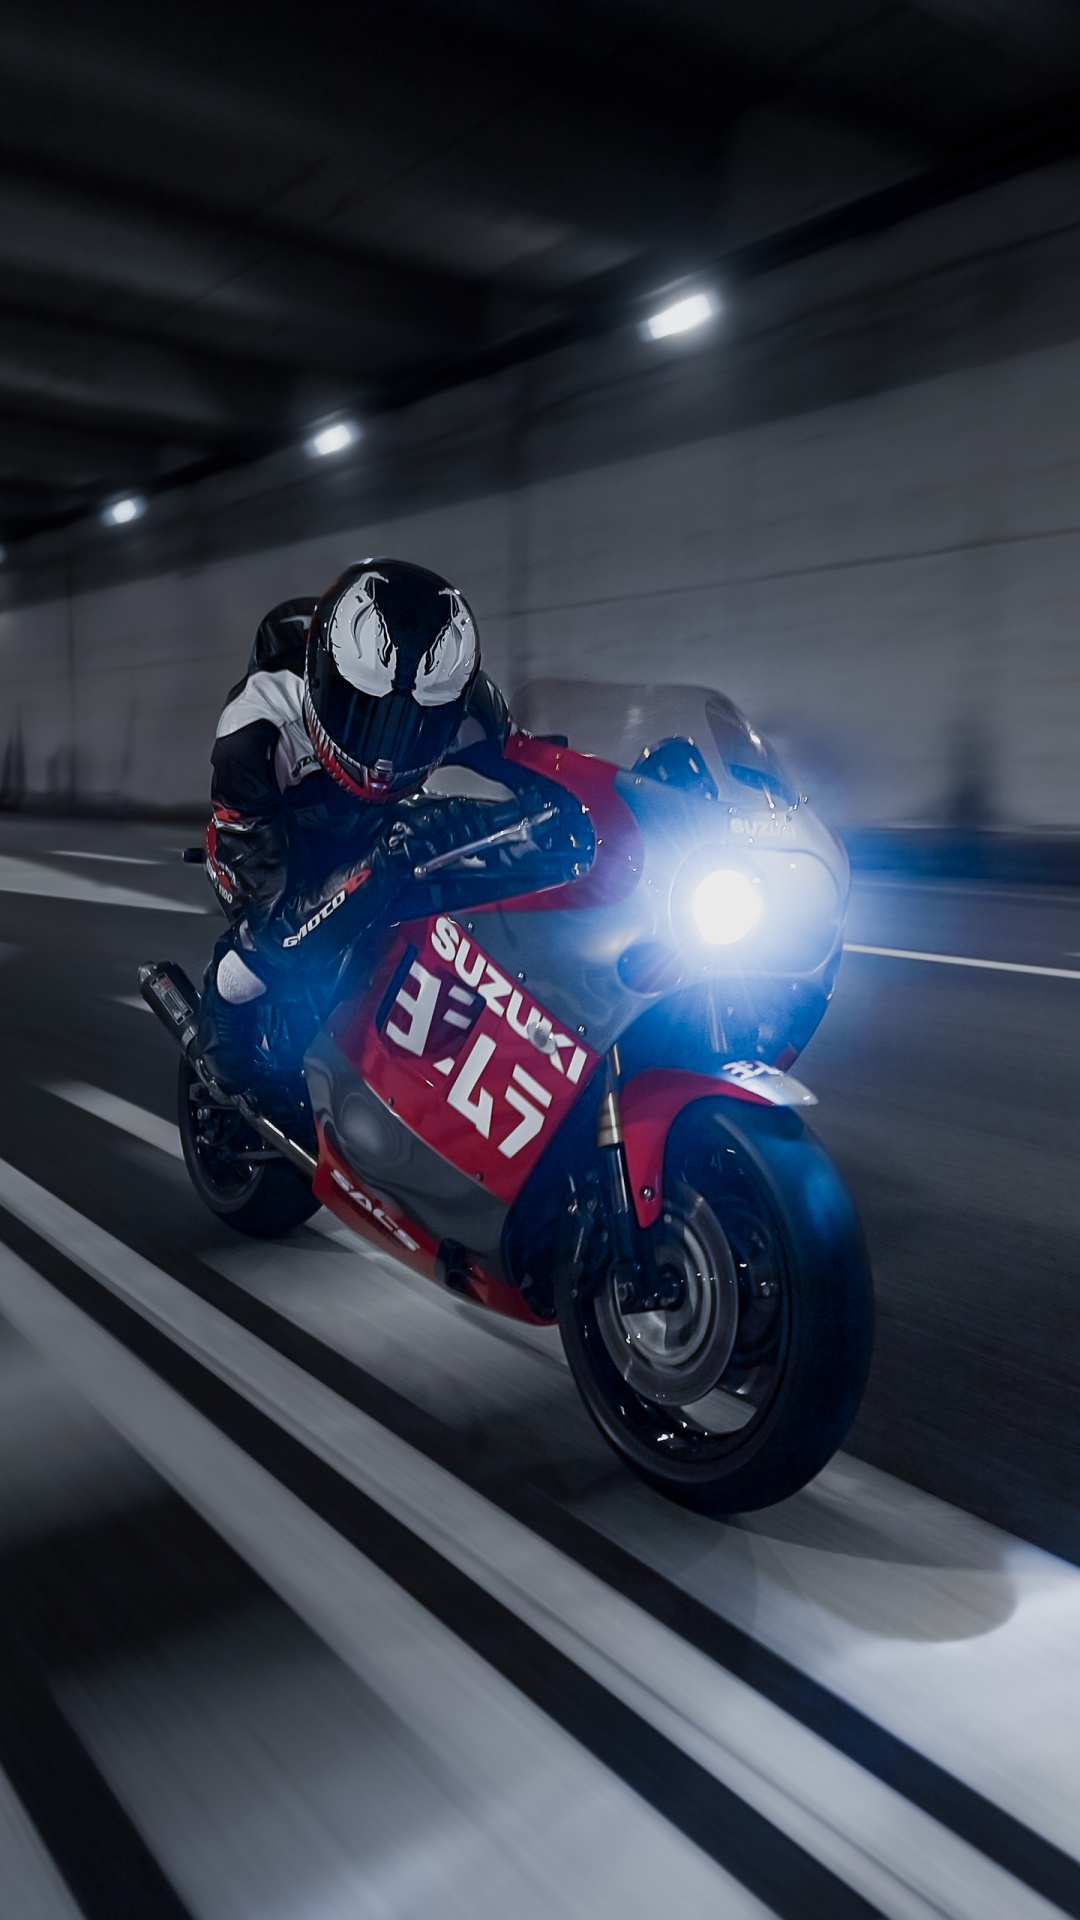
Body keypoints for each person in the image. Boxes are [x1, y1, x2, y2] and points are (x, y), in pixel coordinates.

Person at [197, 557, 555, 1109]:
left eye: (415, 724)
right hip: (278, 841)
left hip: (381, 827)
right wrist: (386, 856)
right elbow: (276, 919)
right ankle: (221, 1009)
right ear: (321, 679)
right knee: (266, 961)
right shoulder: (253, 732)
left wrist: (633, 787)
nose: (386, 752)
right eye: (363, 713)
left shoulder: (470, 702)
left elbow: (541, 769)